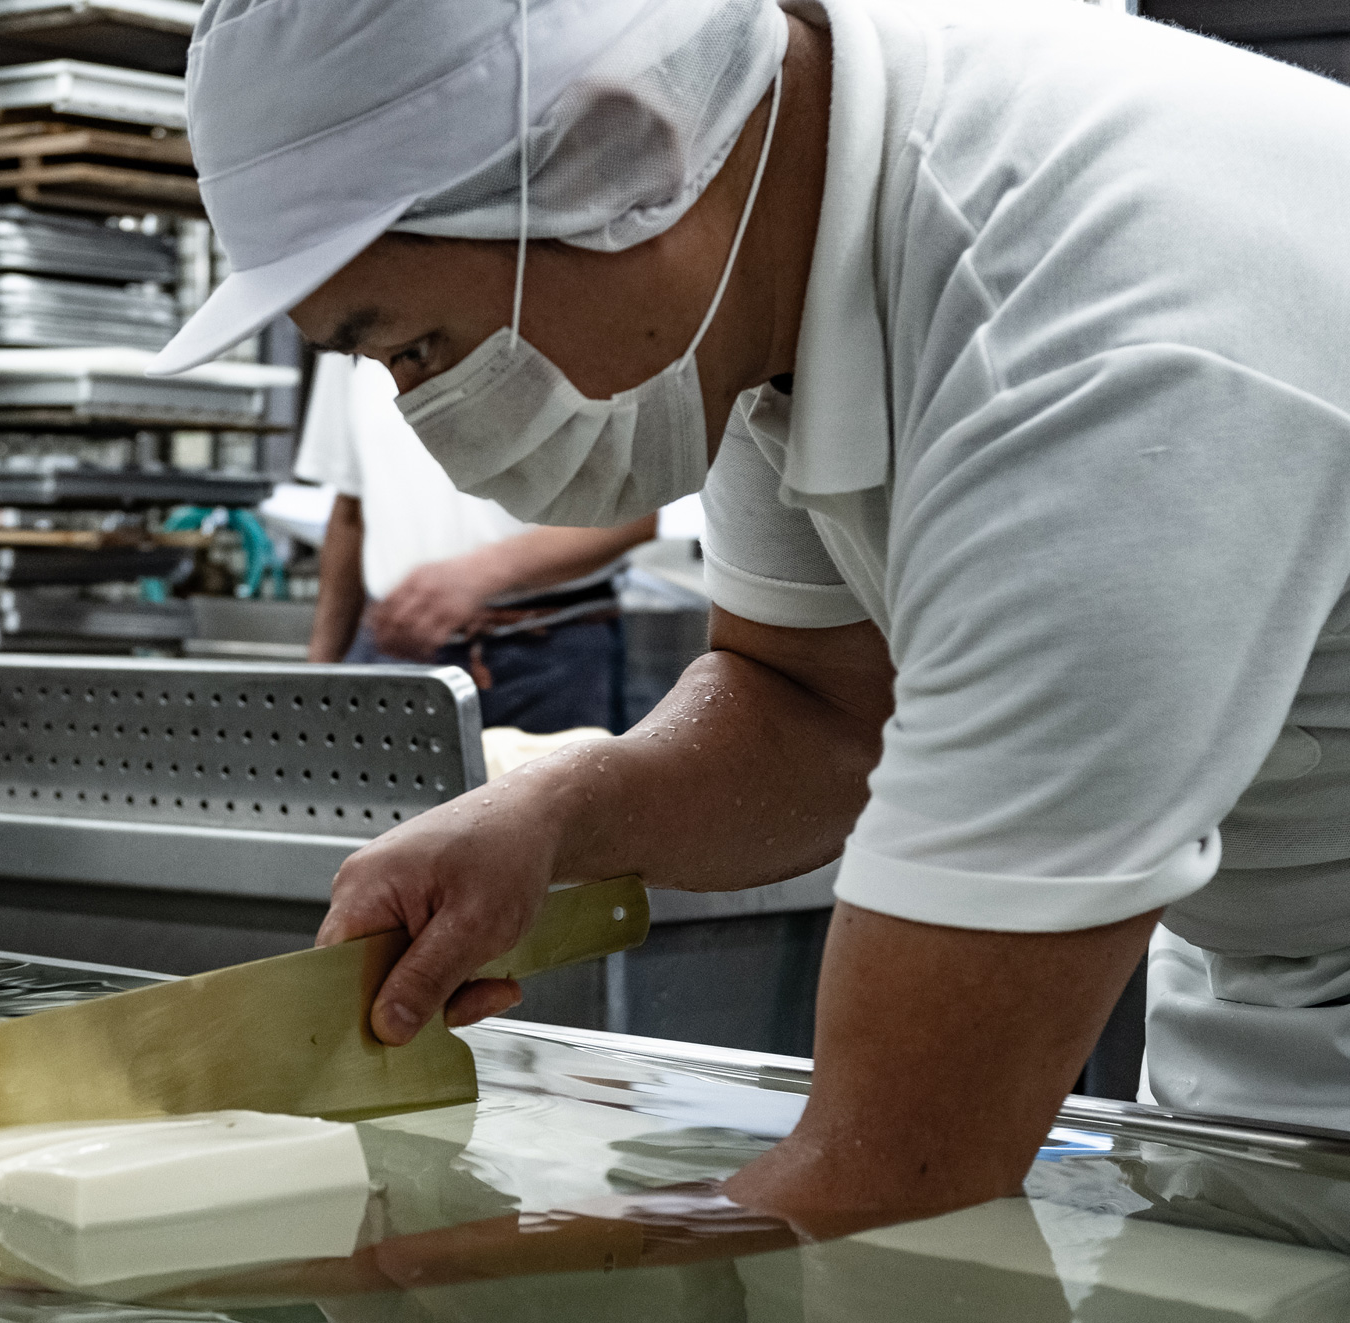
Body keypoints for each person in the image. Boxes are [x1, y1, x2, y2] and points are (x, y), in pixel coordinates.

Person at [148, 0, 1350, 1241]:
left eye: (418, 345)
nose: (428, 406)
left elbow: (896, 1169)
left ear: (623, 157)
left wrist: (329, 1276)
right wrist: (556, 814)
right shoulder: (764, 262)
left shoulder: (1092, 339)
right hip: (1263, 1018)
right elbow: (820, 711)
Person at [297, 350, 656, 733]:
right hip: (395, 653)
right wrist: (320, 676)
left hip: (546, 659)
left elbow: (637, 514)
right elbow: (350, 511)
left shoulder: (563, 315)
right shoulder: (346, 330)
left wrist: (482, 572)